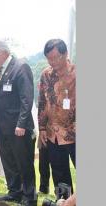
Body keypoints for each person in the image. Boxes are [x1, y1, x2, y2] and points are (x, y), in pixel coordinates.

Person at [0, 40, 37, 206]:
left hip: (18, 127)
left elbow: (26, 99)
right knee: (8, 161)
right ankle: (14, 191)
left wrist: (21, 124)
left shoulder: (21, 67)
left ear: (4, 53)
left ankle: (30, 196)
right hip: (1, 126)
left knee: (24, 162)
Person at [38, 39, 76, 193]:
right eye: (49, 58)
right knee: (59, 175)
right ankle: (64, 202)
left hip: (75, 133)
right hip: (53, 133)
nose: (52, 62)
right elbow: (42, 101)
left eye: (55, 58)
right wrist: (41, 127)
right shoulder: (46, 75)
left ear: (65, 54)